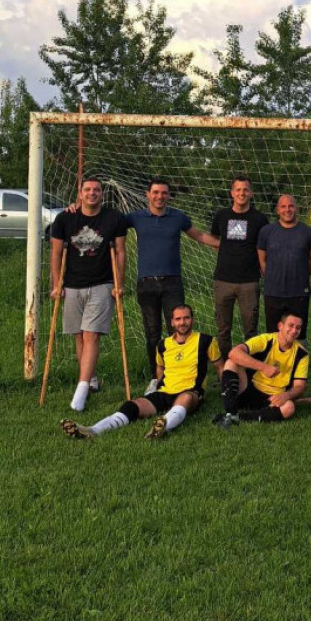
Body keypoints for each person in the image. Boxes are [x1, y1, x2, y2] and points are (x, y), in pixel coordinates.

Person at [61, 304, 218, 440]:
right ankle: (93, 430)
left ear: (192, 320)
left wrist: (227, 392)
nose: (182, 322)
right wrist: (159, 383)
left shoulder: (206, 341)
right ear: (172, 322)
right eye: (178, 319)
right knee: (132, 405)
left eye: (186, 318)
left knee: (186, 398)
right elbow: (160, 367)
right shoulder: (163, 345)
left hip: (191, 392)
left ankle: (164, 426)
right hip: (164, 392)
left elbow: (220, 366)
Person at [124, 177, 219, 393]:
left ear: (168, 195)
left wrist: (223, 245)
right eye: (156, 192)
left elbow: (199, 235)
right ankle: (155, 378)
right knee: (152, 332)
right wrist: (78, 206)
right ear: (148, 195)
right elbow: (108, 221)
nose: (160, 196)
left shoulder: (178, 217)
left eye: (164, 193)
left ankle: (177, 374)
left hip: (172, 283)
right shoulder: (136, 217)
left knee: (176, 329)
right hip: (146, 284)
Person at [50, 177, 128, 412]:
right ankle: (91, 378)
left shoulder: (114, 218)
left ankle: (81, 389)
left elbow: (120, 251)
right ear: (80, 193)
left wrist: (119, 282)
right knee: (79, 337)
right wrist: (57, 283)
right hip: (72, 285)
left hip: (102, 283)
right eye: (87, 189)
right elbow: (56, 253)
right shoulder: (64, 218)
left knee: (91, 335)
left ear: (102, 194)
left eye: (96, 190)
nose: (92, 193)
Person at [210, 176, 269, 367]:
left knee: (250, 329)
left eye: (245, 189)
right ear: (232, 193)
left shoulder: (260, 219)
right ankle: (227, 368)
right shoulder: (221, 215)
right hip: (223, 279)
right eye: (238, 189)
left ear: (251, 193)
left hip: (249, 280)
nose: (241, 193)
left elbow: (264, 246)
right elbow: (215, 239)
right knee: (223, 329)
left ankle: (250, 368)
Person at [215, 311, 308, 427]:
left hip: (273, 398)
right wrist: (264, 367)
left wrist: (286, 395)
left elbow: (300, 386)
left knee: (289, 407)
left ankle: (239, 418)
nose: (294, 330)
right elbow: (233, 353)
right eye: (291, 325)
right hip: (249, 388)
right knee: (231, 362)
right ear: (280, 326)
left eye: (298, 328)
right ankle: (230, 411)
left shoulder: (302, 354)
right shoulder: (266, 340)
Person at [256, 194, 311, 337]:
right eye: (283, 206)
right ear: (278, 209)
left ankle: (298, 352)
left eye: (291, 206)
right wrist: (272, 275)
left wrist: (301, 273)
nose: (287, 210)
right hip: (273, 292)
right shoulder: (266, 231)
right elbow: (262, 259)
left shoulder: (308, 232)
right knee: (273, 334)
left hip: (298, 293)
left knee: (297, 333)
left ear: (296, 208)